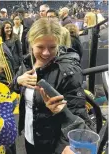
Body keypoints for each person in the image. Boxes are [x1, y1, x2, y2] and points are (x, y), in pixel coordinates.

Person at [11, 18, 92, 154]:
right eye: (40, 47)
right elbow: (15, 87)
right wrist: (18, 80)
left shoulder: (67, 71)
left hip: (54, 145)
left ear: (59, 44)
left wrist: (64, 146)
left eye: (52, 47)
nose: (46, 53)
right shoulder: (27, 63)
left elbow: (76, 115)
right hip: (31, 137)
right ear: (31, 44)